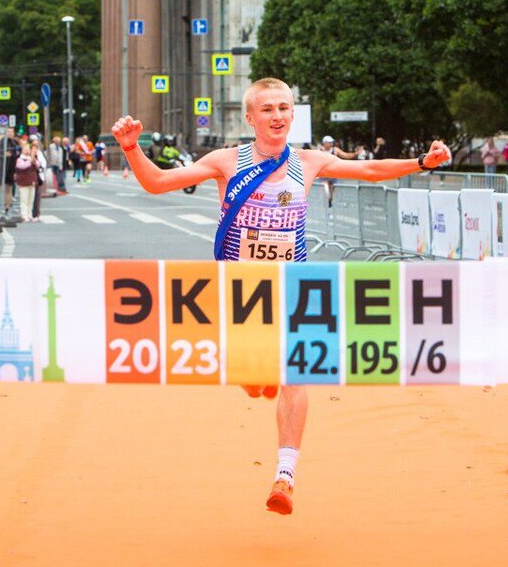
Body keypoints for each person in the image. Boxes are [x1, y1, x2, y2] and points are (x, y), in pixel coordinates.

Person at [112, 77, 451, 516]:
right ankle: (258, 375)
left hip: (293, 285)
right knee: (255, 381)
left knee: (296, 375)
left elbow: (369, 170)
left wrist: (421, 162)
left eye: (284, 108)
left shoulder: (307, 162)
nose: (277, 116)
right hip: (242, 292)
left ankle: (284, 476)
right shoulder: (226, 161)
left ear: (293, 114)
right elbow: (158, 183)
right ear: (250, 117)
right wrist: (131, 148)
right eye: (267, 109)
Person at [13, 140, 39, 222]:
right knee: (24, 199)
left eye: (29, 149)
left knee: (31, 199)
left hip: (32, 181)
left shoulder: (32, 158)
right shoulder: (20, 159)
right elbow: (22, 167)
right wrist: (30, 160)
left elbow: (38, 165)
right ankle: (24, 215)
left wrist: (33, 159)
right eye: (26, 149)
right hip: (23, 182)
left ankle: (29, 214)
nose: (28, 150)